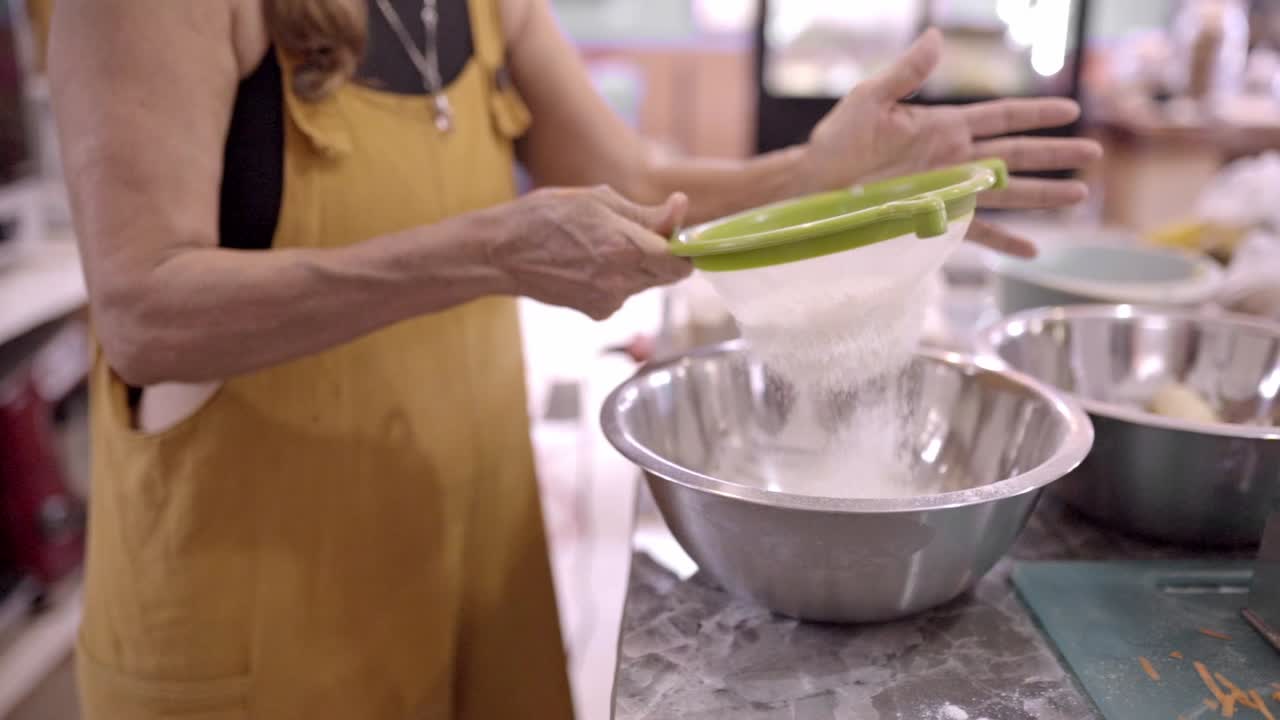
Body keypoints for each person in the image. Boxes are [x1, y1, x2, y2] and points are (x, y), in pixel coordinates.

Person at [47, 0, 1101, 718]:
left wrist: (821, 173)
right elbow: (144, 310)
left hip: (472, 561)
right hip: (259, 614)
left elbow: (632, 184)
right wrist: (485, 250)